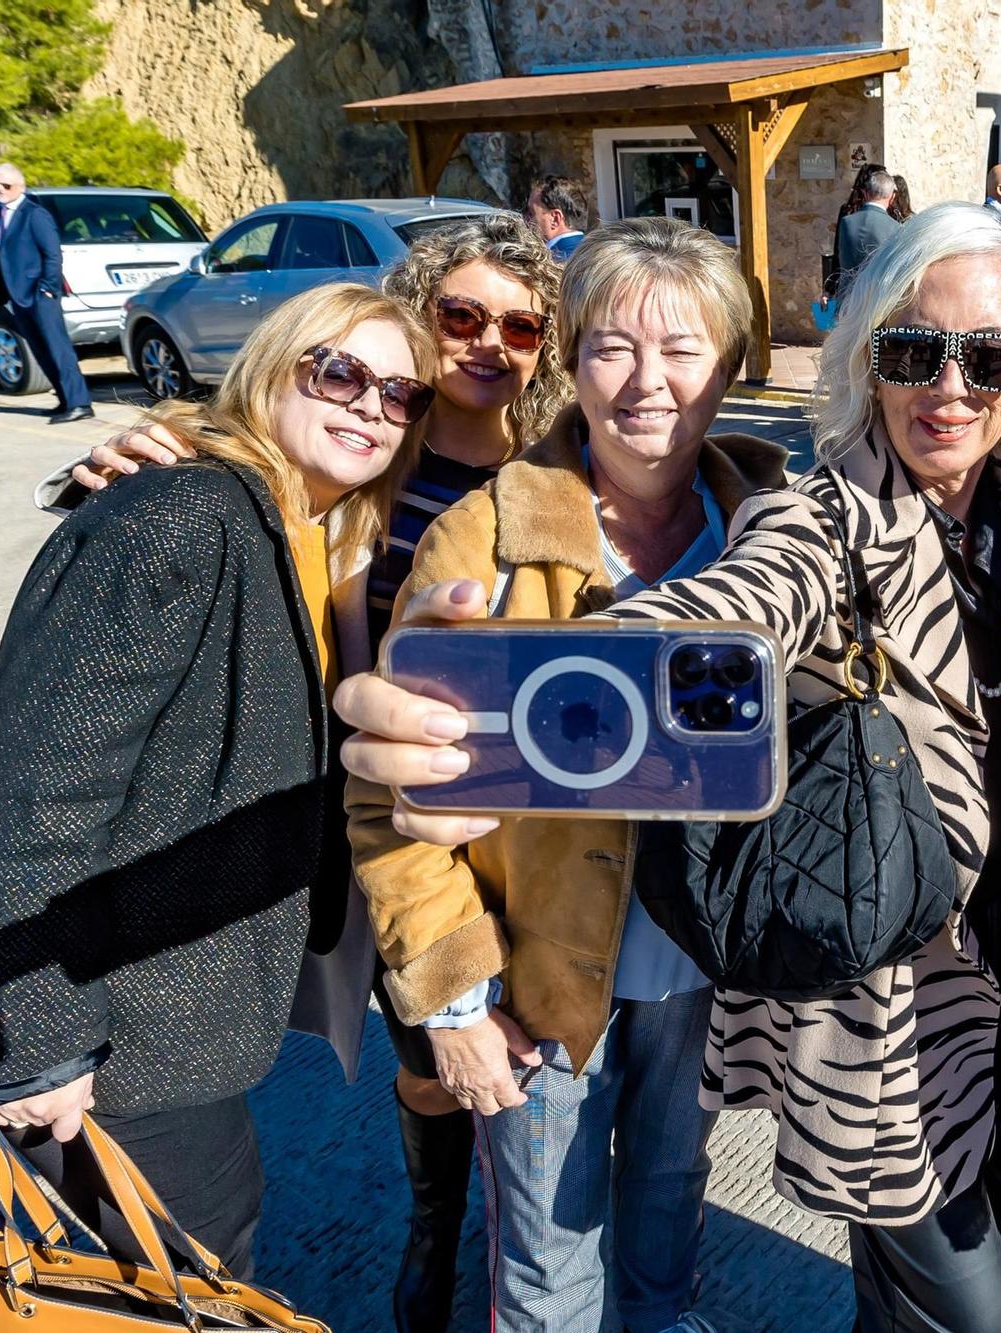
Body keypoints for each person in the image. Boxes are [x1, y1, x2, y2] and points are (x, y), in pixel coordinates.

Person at [334, 201, 1001, 1332]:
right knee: (555, 1262)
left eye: (989, 354)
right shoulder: (802, 516)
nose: (950, 383)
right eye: (912, 350)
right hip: (747, 980)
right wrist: (516, 693)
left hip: (863, 960)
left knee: (673, 1227)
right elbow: (734, 610)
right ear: (867, 357)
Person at [36, 213, 570, 1333]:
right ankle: (436, 1234)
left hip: (515, 827)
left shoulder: (550, 465)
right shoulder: (369, 450)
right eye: (460, 315)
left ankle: (476, 1230)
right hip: (376, 816)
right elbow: (237, 472)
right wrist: (137, 454)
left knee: (497, 1052)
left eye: (519, 325)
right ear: (418, 320)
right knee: (428, 1033)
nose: (487, 343)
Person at [0, 283, 439, 1276]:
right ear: (270, 369)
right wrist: (35, 1044)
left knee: (190, 1247)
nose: (370, 405)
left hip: (168, 999)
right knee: (179, 1272)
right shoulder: (181, 512)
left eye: (402, 394)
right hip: (110, 1009)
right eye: (339, 371)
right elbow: (41, 787)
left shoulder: (312, 528)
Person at [340, 217, 784, 1333]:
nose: (649, 382)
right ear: (573, 363)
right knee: (545, 1257)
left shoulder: (771, 525)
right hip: (538, 974)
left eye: (683, 348)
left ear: (729, 365)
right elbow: (390, 796)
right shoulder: (483, 540)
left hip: (699, 965)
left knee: (669, 1206)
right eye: (612, 347)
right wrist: (452, 996)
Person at [0, 163, 93, 423]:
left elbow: (52, 253)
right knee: (40, 349)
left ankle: (80, 403)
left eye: (6, 185)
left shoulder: (34, 214)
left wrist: (47, 288)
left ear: (20, 187)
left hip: (39, 293)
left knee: (58, 348)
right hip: (18, 295)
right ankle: (65, 400)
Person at [834, 169, 900, 303]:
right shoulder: (895, 227)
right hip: (878, 300)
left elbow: (839, 258)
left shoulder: (847, 222)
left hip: (848, 300)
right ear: (892, 197)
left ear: (865, 193)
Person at [525, 175, 590, 260]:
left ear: (555, 219)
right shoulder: (599, 252)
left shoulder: (551, 265)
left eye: (531, 213)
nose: (526, 218)